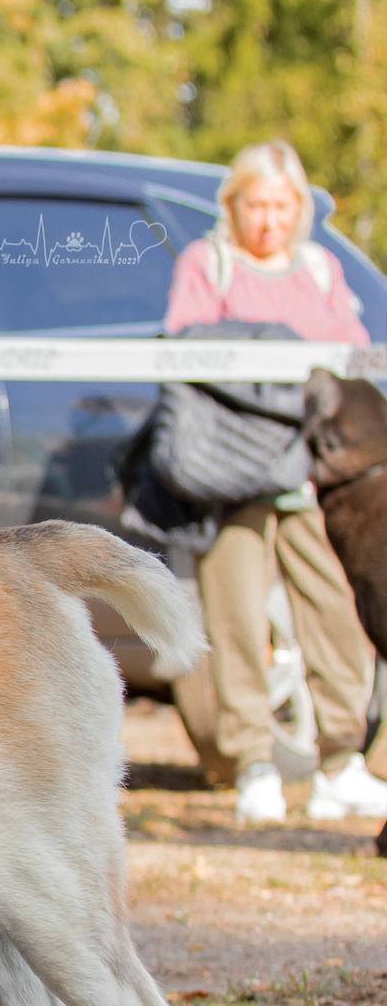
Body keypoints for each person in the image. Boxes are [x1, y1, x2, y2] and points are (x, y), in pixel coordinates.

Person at [162, 139, 387, 826]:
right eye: (255, 203)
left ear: (299, 211)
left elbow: (347, 362)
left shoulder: (319, 269)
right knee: (237, 619)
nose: (268, 218)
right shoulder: (208, 262)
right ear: (234, 207)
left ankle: (341, 761)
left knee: (338, 613)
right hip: (236, 468)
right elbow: (187, 346)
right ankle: (252, 764)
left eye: (282, 205)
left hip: (312, 471)